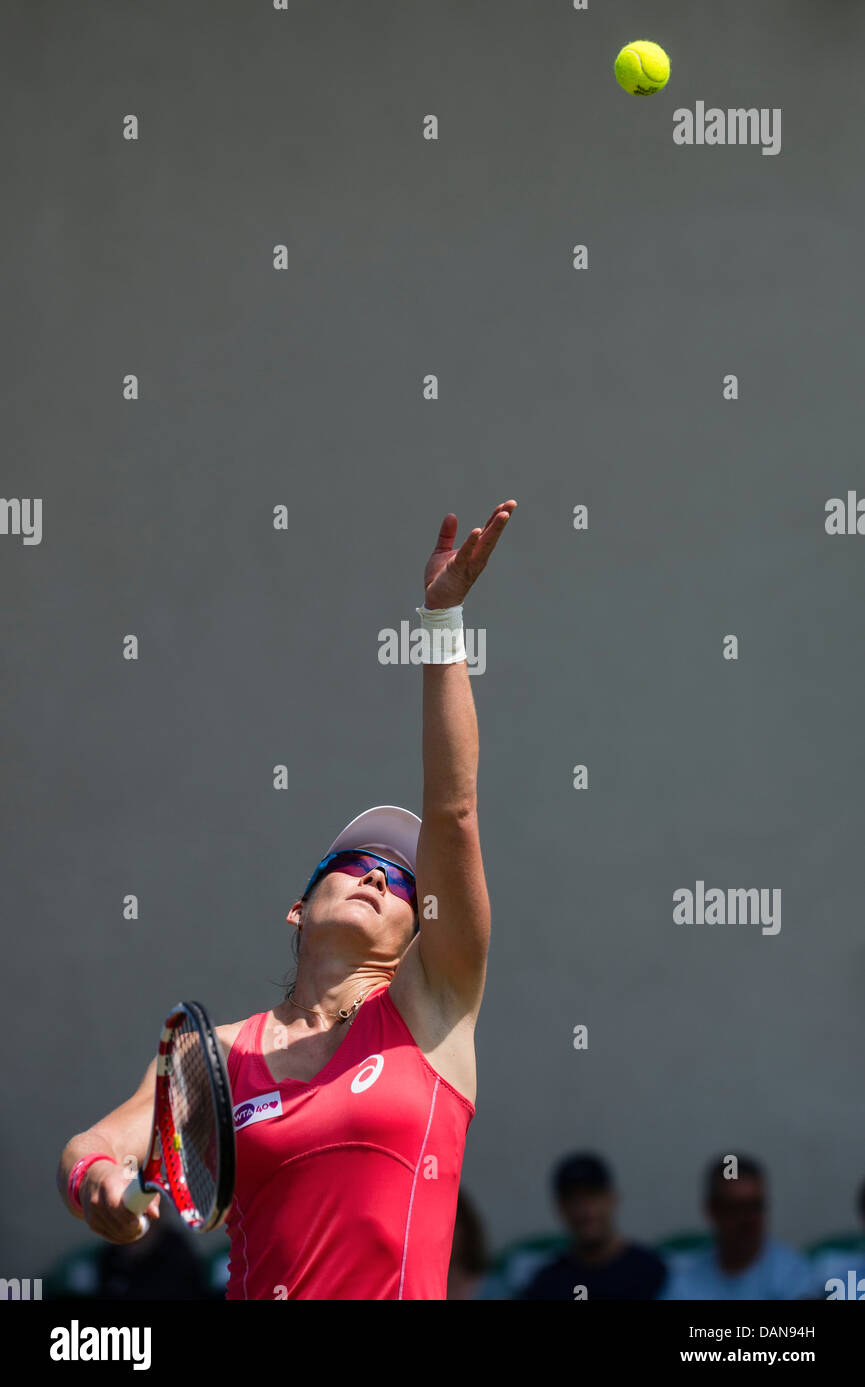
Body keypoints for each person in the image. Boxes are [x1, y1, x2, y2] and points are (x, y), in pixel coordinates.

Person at [56, 499, 517, 1300]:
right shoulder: (214, 1056)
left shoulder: (433, 1003)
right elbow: (97, 1142)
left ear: (419, 928)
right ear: (298, 909)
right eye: (355, 863)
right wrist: (96, 1180)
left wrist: (440, 622)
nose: (379, 878)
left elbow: (453, 810)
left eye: (403, 881)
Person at [659, 1155, 817, 1300]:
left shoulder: (793, 1275)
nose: (748, 1219)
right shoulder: (686, 1278)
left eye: (755, 1206)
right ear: (712, 1211)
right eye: (737, 1208)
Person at [517, 1153, 667, 1300]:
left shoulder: (651, 1271)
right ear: (560, 1208)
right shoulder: (547, 1282)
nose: (586, 1211)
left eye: (593, 1197)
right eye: (575, 1201)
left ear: (612, 1199)